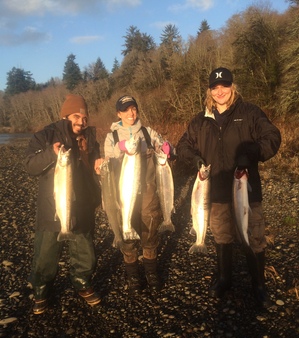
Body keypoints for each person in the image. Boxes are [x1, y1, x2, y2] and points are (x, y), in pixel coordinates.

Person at [176, 67, 281, 307]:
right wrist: (194, 159)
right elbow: (183, 146)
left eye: (224, 85)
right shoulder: (200, 121)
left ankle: (259, 284)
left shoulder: (250, 113)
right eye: (215, 87)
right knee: (222, 236)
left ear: (232, 86)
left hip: (246, 189)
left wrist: (252, 153)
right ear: (209, 91)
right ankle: (224, 278)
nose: (220, 91)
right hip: (215, 194)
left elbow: (272, 137)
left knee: (254, 236)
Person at [25, 94, 102, 314]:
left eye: (84, 117)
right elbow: (29, 165)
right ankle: (41, 290)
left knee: (84, 250)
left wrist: (97, 163)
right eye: (76, 116)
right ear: (65, 115)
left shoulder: (89, 137)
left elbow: (93, 160)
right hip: (54, 206)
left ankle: (82, 281)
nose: (81, 121)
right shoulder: (46, 136)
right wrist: (52, 154)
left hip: (83, 203)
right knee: (46, 253)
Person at [103, 95, 172, 295]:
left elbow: (165, 149)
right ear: (119, 114)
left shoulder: (148, 133)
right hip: (124, 193)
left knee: (150, 233)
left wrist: (167, 148)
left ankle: (151, 273)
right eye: (126, 110)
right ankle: (133, 275)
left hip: (149, 192)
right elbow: (107, 160)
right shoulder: (111, 137)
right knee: (127, 234)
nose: (131, 114)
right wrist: (121, 148)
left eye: (133, 109)